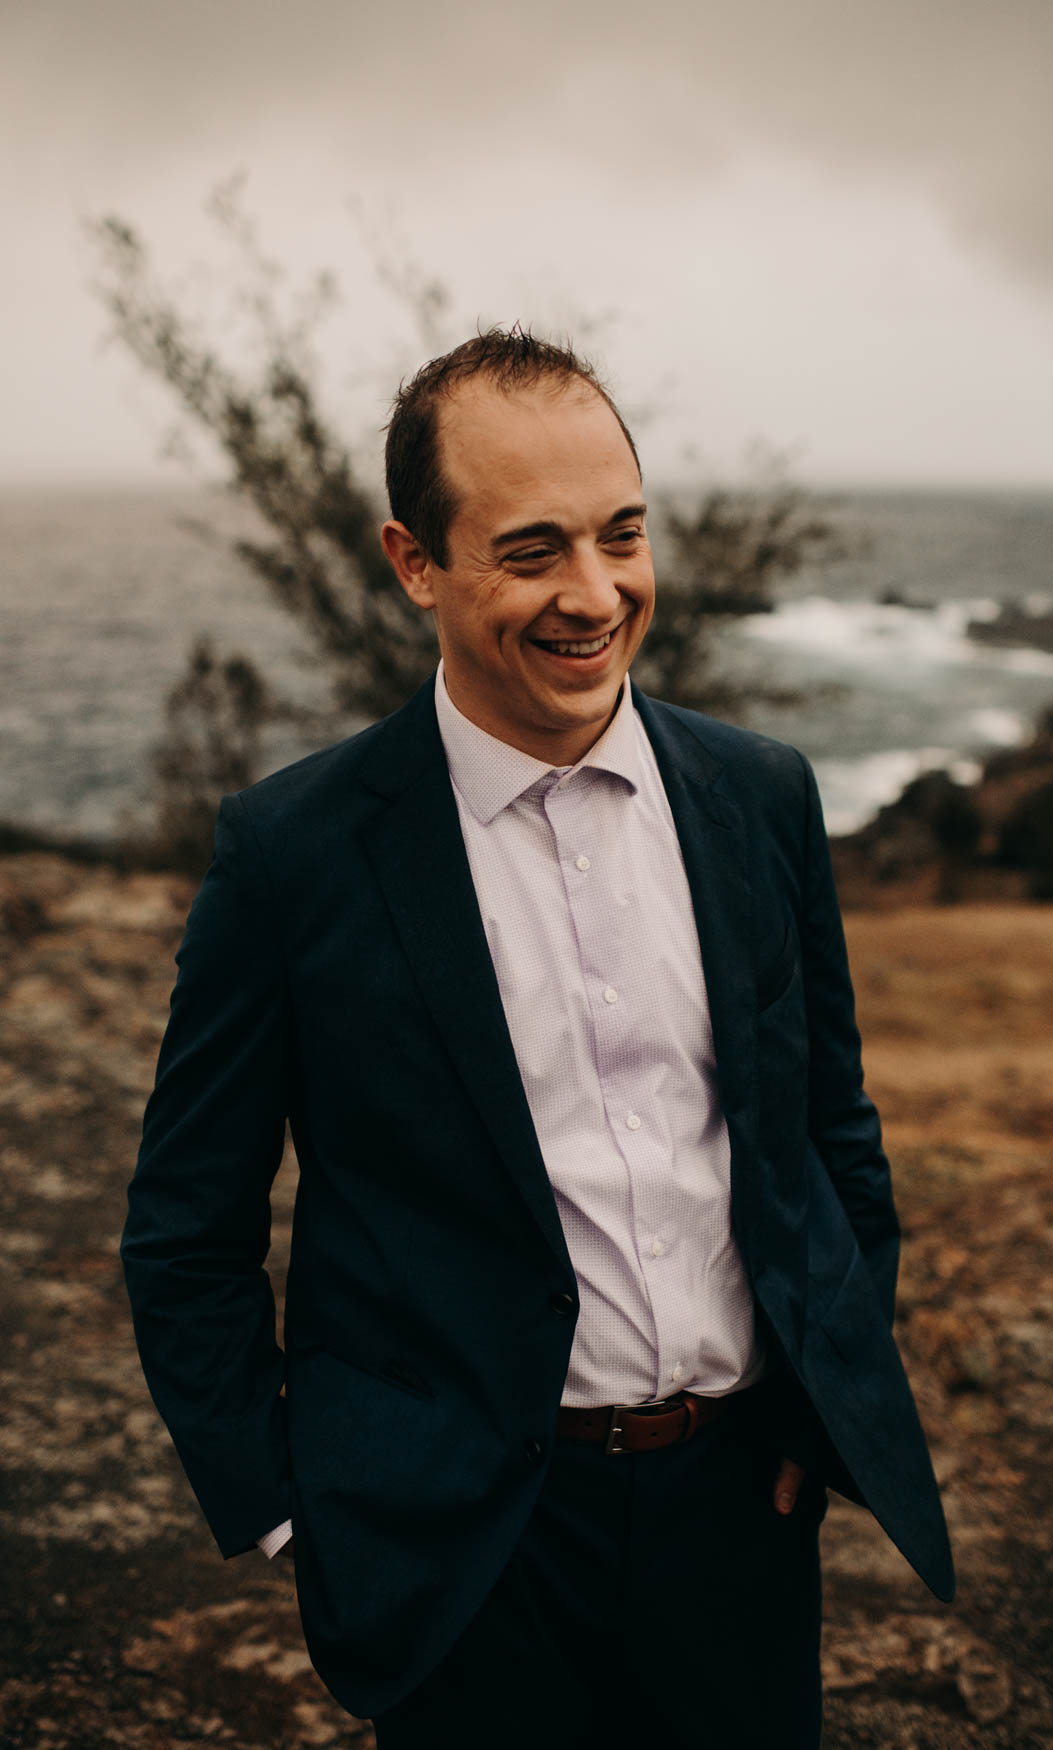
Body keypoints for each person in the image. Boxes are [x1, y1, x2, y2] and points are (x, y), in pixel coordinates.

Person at [122, 329, 953, 1748]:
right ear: (414, 563)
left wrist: (817, 1419)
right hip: (466, 1551)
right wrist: (288, 1507)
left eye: (622, 534)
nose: (596, 593)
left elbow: (829, 1136)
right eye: (532, 550)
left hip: (738, 1515)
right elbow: (186, 1225)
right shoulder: (292, 856)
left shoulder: (761, 796)